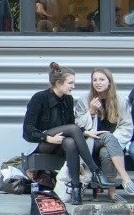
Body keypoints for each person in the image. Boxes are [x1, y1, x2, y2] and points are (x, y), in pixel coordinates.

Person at [23, 65, 105, 205]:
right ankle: (94, 169)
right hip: (44, 143)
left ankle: (75, 190)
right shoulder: (39, 98)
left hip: (62, 142)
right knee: (73, 130)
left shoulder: (67, 99)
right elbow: (27, 130)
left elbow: (69, 125)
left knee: (71, 143)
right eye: (70, 82)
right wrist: (49, 138)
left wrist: (84, 132)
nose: (73, 86)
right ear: (59, 83)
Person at [82, 69, 134, 196]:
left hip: (112, 142)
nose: (98, 83)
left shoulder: (120, 101)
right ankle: (125, 178)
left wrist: (112, 140)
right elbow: (78, 125)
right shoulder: (85, 99)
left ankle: (111, 192)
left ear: (109, 82)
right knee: (108, 137)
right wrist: (90, 111)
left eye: (102, 79)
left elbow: (126, 126)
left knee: (107, 150)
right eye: (94, 80)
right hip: (90, 141)